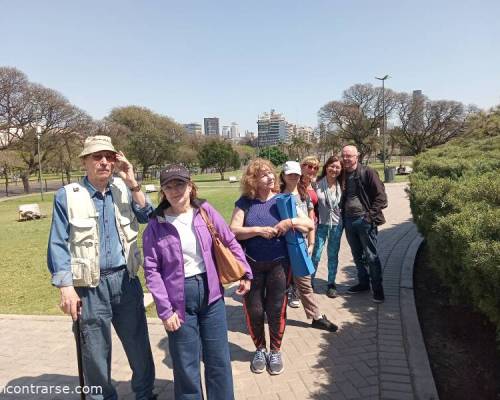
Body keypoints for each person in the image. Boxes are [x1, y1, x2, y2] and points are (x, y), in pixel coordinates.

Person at [47, 135, 156, 400]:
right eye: (97, 157)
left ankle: (144, 394)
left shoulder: (123, 189)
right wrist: (66, 287)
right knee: (94, 353)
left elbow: (149, 217)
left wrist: (132, 181)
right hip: (89, 287)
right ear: (85, 161)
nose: (104, 162)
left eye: (109, 156)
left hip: (126, 280)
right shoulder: (68, 196)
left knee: (139, 346)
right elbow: (58, 243)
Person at [142, 164, 252, 400]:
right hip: (178, 301)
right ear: (162, 192)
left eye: (180, 184)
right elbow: (152, 271)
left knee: (218, 360)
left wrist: (244, 272)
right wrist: (165, 310)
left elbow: (229, 241)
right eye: (168, 186)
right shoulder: (156, 224)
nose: (175, 191)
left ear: (190, 186)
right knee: (185, 364)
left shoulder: (204, 211)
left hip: (211, 294)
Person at [229, 158, 292, 375]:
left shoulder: (283, 200)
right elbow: (233, 230)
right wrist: (258, 230)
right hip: (251, 266)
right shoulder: (245, 202)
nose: (271, 177)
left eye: (271, 173)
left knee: (276, 309)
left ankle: (275, 350)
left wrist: (289, 223)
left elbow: (309, 223)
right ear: (252, 180)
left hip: (279, 265)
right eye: (264, 174)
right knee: (255, 311)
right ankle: (260, 349)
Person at [279, 161, 338, 332]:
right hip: (281, 245)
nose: (293, 177)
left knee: (304, 282)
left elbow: (311, 221)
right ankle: (276, 315)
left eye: (296, 174)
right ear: (283, 175)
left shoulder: (304, 194)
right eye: (289, 174)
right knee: (279, 281)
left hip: (300, 244)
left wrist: (311, 243)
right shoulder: (277, 195)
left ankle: (316, 316)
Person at [340, 145, 388, 303]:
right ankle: (363, 283)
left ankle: (378, 289)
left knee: (371, 256)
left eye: (349, 156)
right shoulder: (343, 174)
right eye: (344, 156)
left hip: (364, 220)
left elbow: (381, 198)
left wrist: (369, 217)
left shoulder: (367, 172)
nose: (346, 159)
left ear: (357, 156)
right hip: (348, 220)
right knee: (357, 255)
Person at [311, 156, 344, 298]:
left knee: (333, 254)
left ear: (341, 170)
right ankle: (310, 281)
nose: (334, 169)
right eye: (331, 166)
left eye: (337, 167)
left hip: (337, 225)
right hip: (321, 224)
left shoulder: (342, 185)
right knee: (316, 254)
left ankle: (331, 283)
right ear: (326, 167)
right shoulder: (317, 183)